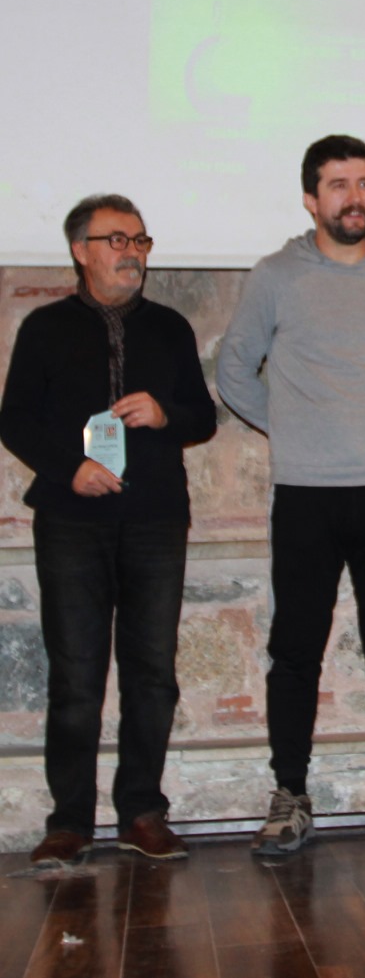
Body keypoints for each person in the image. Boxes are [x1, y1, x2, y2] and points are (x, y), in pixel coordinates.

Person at [217, 135, 365, 856]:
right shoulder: (276, 276)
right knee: (295, 649)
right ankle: (290, 794)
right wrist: (292, 428)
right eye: (339, 185)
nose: (355, 198)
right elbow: (234, 370)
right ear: (310, 198)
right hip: (307, 494)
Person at [0, 194, 217, 867]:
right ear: (80, 250)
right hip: (72, 520)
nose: (132, 253)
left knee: (153, 673)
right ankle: (69, 822)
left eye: (140, 240)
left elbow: (203, 418)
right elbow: (15, 419)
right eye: (117, 240)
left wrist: (164, 413)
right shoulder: (45, 327)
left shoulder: (170, 328)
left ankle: (141, 812)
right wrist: (71, 469)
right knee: (76, 675)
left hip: (155, 518)